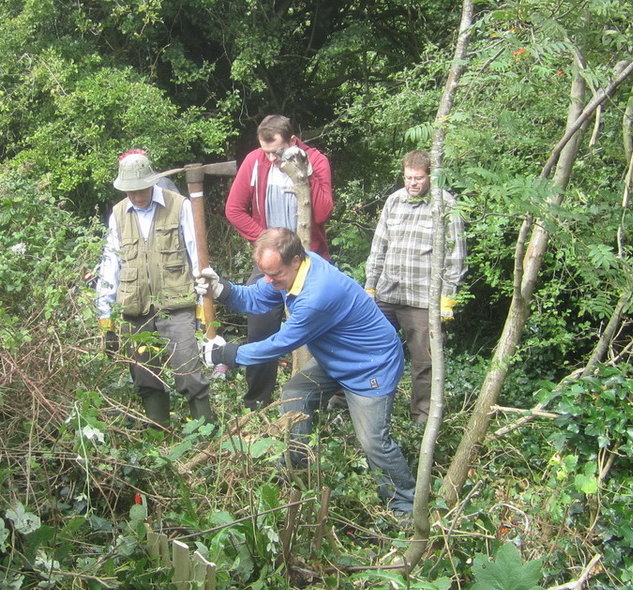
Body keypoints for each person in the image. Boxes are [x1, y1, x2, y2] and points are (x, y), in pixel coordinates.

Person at [197, 228, 417, 518]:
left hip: (370, 364)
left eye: (274, 274)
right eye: (265, 273)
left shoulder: (317, 294)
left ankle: (405, 504)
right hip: (335, 356)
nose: (269, 280)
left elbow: (280, 343)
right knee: (295, 395)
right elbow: (257, 297)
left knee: (373, 442)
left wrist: (226, 355)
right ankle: (296, 467)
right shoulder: (292, 271)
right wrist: (222, 290)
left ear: (296, 260)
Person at [94, 150, 216, 430]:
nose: (136, 196)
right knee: (145, 376)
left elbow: (197, 254)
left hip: (177, 305)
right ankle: (158, 435)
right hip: (134, 308)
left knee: (189, 372)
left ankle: (207, 436)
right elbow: (111, 263)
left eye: (141, 189)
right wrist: (105, 317)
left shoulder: (179, 205)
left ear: (152, 182)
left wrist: (203, 303)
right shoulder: (118, 214)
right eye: (130, 191)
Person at [222, 114, 334, 410]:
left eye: (277, 151)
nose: (271, 158)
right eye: (266, 151)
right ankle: (256, 403)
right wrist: (268, 243)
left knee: (318, 334)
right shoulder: (255, 162)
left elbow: (323, 213)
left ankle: (317, 401)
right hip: (271, 263)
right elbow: (234, 209)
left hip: (309, 263)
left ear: (293, 141)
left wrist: (307, 174)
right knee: (260, 330)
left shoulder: (316, 161)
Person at [364, 150, 467, 423]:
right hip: (387, 294)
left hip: (423, 300)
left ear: (430, 176)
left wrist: (447, 299)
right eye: (408, 177)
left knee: (425, 362)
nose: (412, 183)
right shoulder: (394, 201)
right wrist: (370, 286)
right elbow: (379, 247)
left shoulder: (446, 205)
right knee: (370, 351)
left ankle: (421, 420)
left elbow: (456, 256)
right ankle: (361, 407)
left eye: (418, 178)